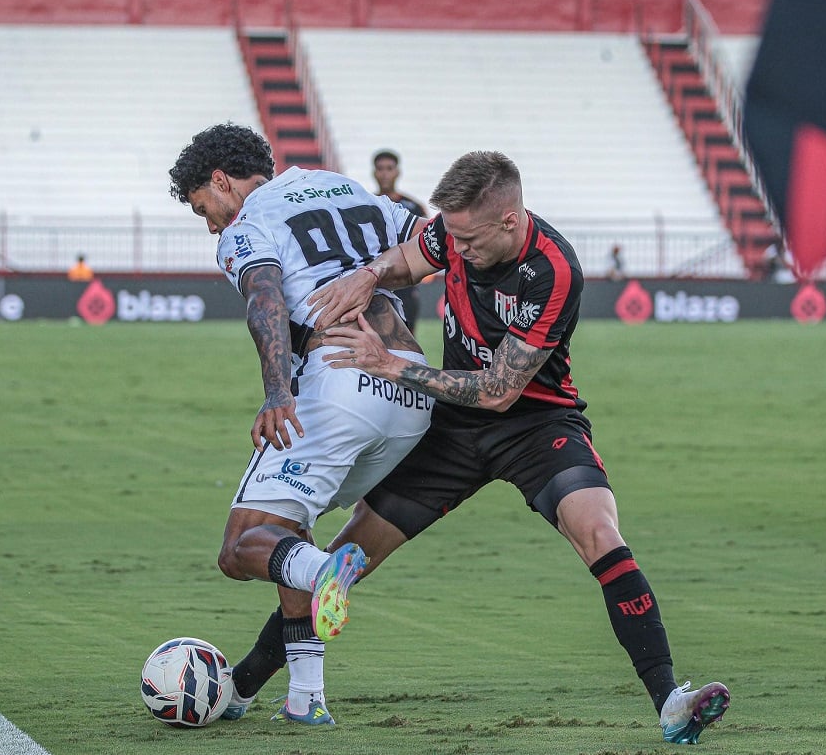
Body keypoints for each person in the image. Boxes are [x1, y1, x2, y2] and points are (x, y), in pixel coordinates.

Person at [234, 150, 731, 744]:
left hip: (537, 426)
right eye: (451, 235)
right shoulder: (454, 232)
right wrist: (368, 274)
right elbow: (409, 257)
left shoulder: (554, 271)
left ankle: (670, 700)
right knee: (345, 564)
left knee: (600, 535)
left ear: (510, 221)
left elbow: (498, 392)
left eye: (468, 239)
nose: (456, 249)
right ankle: (239, 687)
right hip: (453, 431)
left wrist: (391, 364)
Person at [167, 123, 433, 725]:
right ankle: (305, 698)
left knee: (240, 549)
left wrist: (275, 392)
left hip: (337, 384)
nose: (209, 222)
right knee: (290, 526)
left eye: (202, 207)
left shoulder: (247, 222)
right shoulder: (345, 188)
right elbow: (429, 248)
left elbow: (267, 298)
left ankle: (328, 569)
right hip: (409, 386)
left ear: (220, 181)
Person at [371, 149, 428, 332]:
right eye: (380, 168)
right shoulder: (367, 204)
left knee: (407, 343)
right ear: (374, 172)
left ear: (397, 172)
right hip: (375, 285)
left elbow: (426, 243)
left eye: (389, 168)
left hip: (405, 286)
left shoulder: (414, 208)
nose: (385, 173)